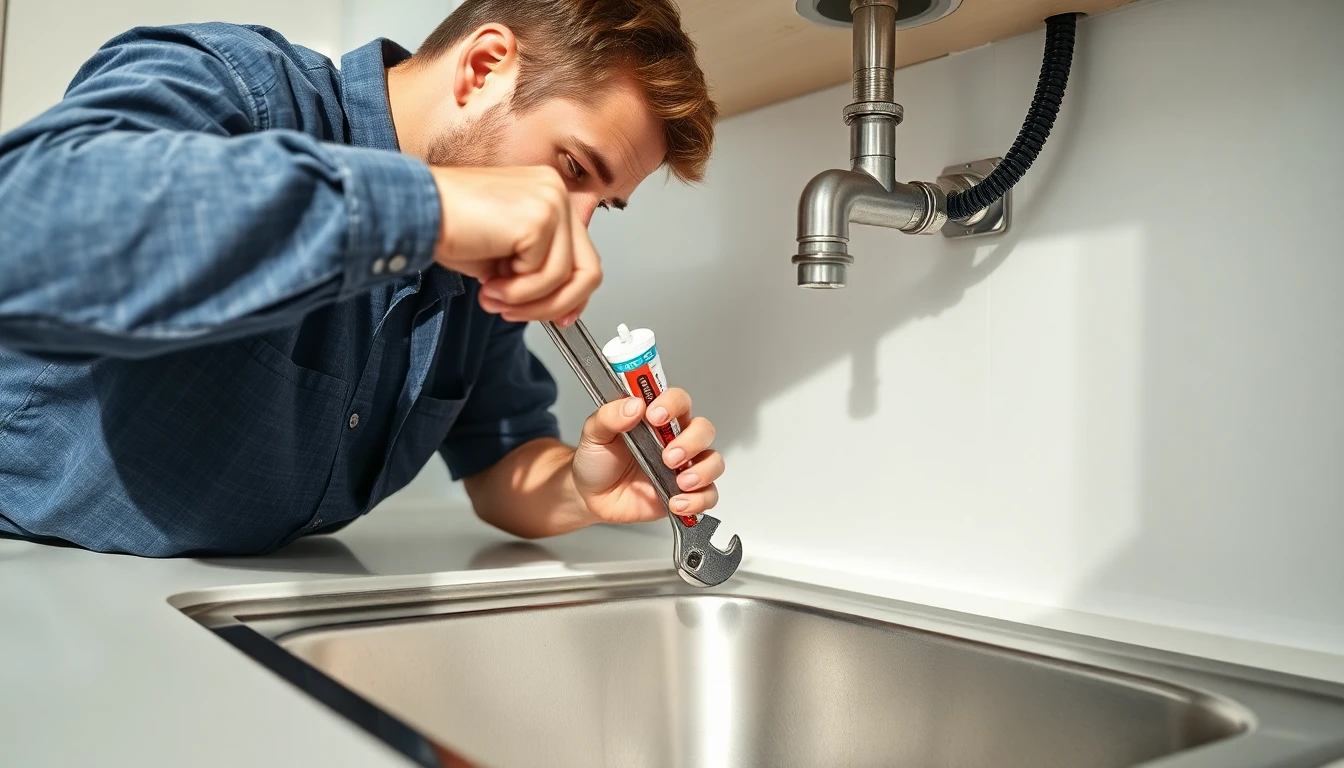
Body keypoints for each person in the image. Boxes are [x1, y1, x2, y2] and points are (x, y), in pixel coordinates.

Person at [0, 0, 725, 556]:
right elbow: (25, 226)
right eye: (572, 169)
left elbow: (501, 457)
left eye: (603, 203)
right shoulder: (240, 86)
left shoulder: (477, 276)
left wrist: (580, 487)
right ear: (484, 68)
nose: (576, 226)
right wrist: (429, 207)